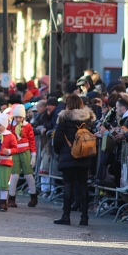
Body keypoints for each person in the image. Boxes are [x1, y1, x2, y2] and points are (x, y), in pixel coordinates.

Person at [52, 94, 95, 226]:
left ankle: (66, 216)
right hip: (83, 156)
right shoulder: (87, 120)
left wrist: (60, 152)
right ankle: (84, 217)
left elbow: (57, 139)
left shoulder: (64, 119)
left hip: (68, 156)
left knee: (68, 185)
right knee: (83, 186)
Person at [7, 104, 38, 208]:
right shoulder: (10, 126)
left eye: (20, 117)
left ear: (23, 117)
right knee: (14, 175)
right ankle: (11, 198)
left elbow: (32, 140)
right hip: (14, 152)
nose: (18, 119)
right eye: (16, 117)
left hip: (25, 152)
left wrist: (33, 155)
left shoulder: (28, 126)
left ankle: (33, 197)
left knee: (28, 174)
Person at [0, 113, 18, 212]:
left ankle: (3, 202)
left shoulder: (10, 136)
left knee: (3, 183)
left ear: (5, 125)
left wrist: (9, 151)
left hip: (5, 162)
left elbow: (15, 148)